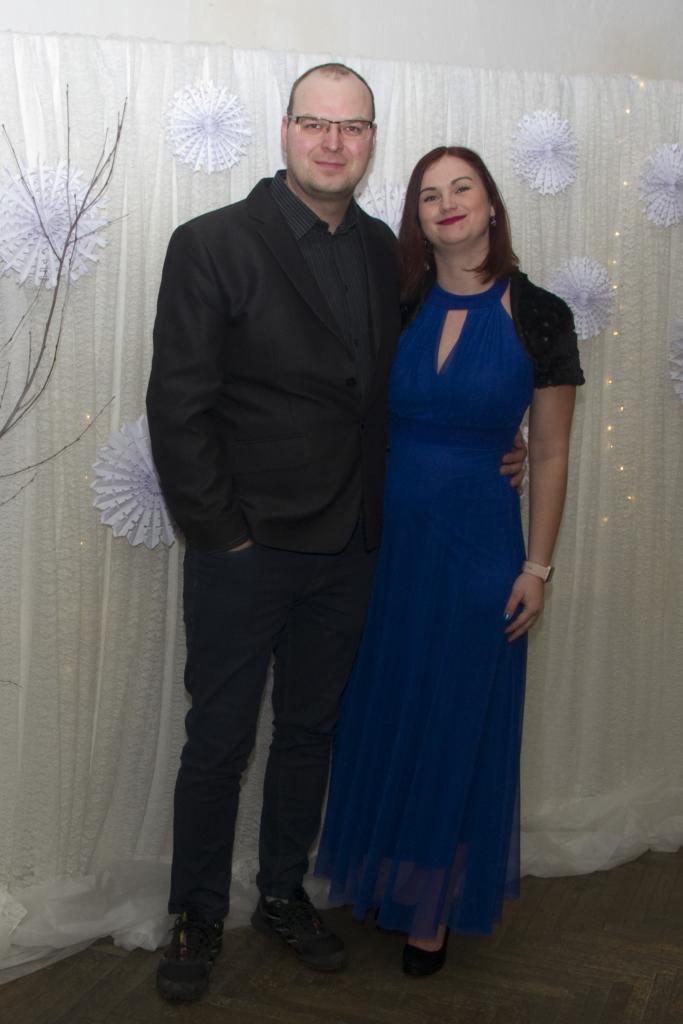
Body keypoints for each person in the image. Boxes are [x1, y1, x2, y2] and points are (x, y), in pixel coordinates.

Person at [147, 66, 526, 1002]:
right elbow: (178, 407)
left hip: (354, 548)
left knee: (310, 733)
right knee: (219, 740)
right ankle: (195, 916)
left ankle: (282, 893)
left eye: (351, 127)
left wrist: (497, 440)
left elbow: (405, 384)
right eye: (315, 123)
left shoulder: (382, 252)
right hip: (244, 549)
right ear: (285, 131)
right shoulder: (211, 241)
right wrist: (222, 536)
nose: (332, 142)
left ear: (370, 141)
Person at [315, 146, 584, 977]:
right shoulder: (395, 303)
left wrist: (536, 568)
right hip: (385, 551)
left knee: (457, 721)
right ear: (418, 220)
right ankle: (383, 880)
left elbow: (548, 452)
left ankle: (430, 908)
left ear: (491, 204)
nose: (447, 203)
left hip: (479, 551)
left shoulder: (540, 314)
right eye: (429, 195)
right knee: (386, 710)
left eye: (461, 187)